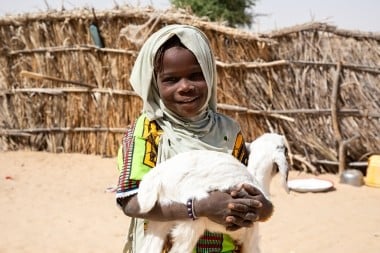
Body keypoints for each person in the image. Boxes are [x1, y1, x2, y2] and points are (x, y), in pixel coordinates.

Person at [115, 24, 273, 253]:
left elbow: (251, 193)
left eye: (196, 76)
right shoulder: (148, 131)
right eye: (171, 79)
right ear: (155, 84)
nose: (185, 87)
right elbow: (129, 200)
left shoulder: (229, 131)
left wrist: (259, 207)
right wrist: (199, 208)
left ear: (209, 74)